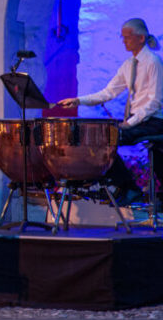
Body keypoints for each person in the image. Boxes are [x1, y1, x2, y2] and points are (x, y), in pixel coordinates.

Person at [58, 18, 163, 206]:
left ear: (141, 38)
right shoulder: (129, 64)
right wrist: (79, 100)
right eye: (122, 37)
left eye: (127, 37)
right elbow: (108, 92)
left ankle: (129, 188)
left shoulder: (153, 62)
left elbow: (154, 102)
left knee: (107, 138)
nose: (124, 41)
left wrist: (129, 123)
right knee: (99, 138)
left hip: (153, 120)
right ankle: (124, 186)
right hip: (138, 120)